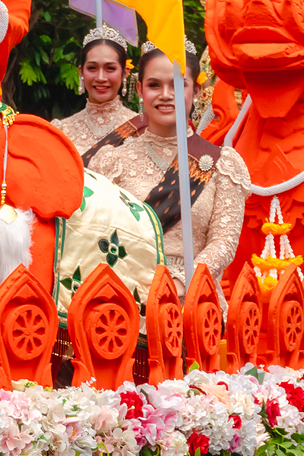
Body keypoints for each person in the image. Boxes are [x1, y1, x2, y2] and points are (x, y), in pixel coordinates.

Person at [88, 41, 251, 291]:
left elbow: (224, 242)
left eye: (177, 84)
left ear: (196, 90)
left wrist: (179, 284)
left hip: (196, 303)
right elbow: (95, 234)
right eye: (154, 85)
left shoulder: (223, 164)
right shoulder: (111, 162)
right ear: (141, 90)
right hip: (125, 298)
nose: (166, 94)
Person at [55, 22, 137, 156]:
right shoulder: (61, 131)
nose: (100, 78)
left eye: (110, 68)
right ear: (80, 71)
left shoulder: (141, 129)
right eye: (92, 68)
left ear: (125, 72)